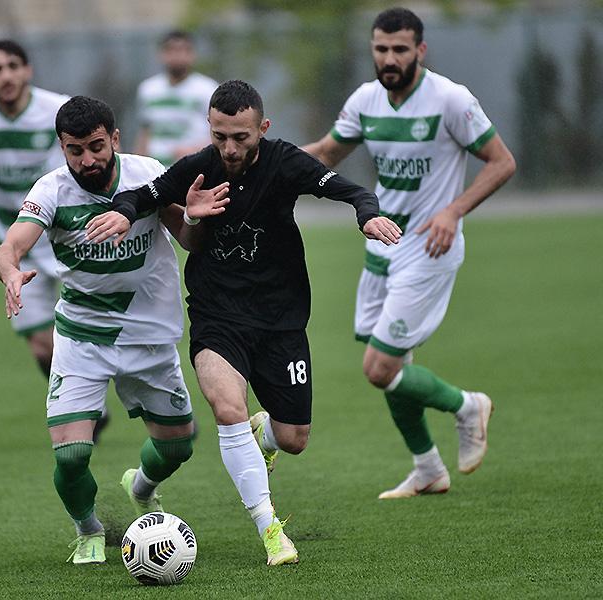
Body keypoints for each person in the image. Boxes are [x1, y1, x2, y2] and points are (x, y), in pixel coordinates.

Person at [86, 80, 401, 565]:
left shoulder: (285, 162)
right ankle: (270, 528)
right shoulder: (199, 167)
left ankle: (264, 436)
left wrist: (367, 216)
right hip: (218, 316)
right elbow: (141, 195)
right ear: (209, 129)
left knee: (294, 438)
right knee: (228, 408)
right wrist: (125, 214)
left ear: (263, 128)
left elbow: (352, 190)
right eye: (219, 137)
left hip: (280, 320)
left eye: (241, 138)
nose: (229, 149)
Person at [303, 7, 516, 499]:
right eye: (381, 49)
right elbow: (328, 153)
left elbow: (502, 162)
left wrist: (453, 211)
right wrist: (262, 159)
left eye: (400, 49)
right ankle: (427, 469)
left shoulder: (450, 99)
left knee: (379, 367)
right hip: (383, 244)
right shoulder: (366, 100)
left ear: (420, 50)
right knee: (394, 369)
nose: (389, 58)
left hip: (429, 248)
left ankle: (467, 406)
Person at [0, 96, 197, 565]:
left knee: (177, 447)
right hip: (82, 336)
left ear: (115, 139)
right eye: (75, 150)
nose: (87, 159)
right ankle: (88, 530)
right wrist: (9, 272)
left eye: (96, 146)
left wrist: (193, 216)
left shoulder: (148, 174)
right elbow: (10, 246)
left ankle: (140, 487)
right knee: (70, 455)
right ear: (62, 147)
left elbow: (187, 238)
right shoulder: (51, 190)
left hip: (149, 337)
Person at [0, 40, 111, 439]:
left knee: (109, 322)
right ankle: (87, 406)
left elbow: (101, 159)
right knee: (42, 347)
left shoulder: (56, 110)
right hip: (17, 246)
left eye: (13, 66)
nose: (6, 75)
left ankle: (94, 397)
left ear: (27, 70)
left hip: (71, 235)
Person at [134, 30, 219, 167]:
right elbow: (145, 132)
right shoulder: (148, 89)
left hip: (192, 168)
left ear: (193, 54)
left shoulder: (208, 89)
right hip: (156, 170)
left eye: (183, 50)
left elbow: (220, 132)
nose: (177, 56)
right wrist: (138, 165)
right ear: (161, 54)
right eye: (171, 50)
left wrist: (196, 150)